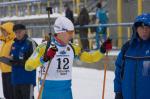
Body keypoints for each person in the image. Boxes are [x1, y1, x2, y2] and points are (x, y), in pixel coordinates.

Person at [25, 16, 112, 99]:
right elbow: (28, 66)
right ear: (60, 32)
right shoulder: (44, 47)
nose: (72, 36)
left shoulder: (73, 48)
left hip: (65, 93)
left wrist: (102, 50)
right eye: (70, 32)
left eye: (72, 32)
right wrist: (45, 58)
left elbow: (90, 58)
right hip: (47, 92)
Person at [114, 13, 150, 99]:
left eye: (147, 28)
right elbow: (119, 71)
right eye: (141, 28)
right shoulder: (127, 48)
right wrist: (118, 91)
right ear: (136, 29)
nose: (144, 31)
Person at [10, 24, 37, 99]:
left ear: (25, 31)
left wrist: (20, 62)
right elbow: (11, 57)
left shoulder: (30, 43)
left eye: (19, 32)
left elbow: (36, 60)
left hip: (27, 79)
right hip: (15, 79)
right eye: (16, 32)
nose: (18, 34)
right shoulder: (13, 44)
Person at [0, 22, 15, 99]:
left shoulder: (13, 42)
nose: (2, 32)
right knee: (6, 93)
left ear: (9, 31)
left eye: (4, 30)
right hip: (4, 71)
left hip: (11, 71)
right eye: (2, 30)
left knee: (11, 93)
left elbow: (13, 57)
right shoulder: (5, 42)